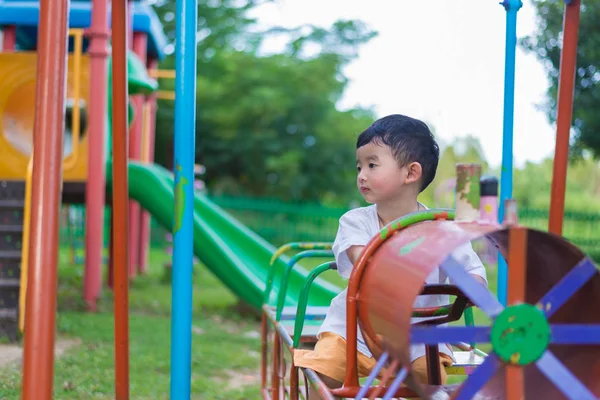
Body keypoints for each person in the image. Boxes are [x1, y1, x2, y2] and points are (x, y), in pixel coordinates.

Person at [293, 114, 488, 394]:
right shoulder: (356, 221)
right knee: (322, 373)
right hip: (353, 330)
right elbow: (364, 258)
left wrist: (471, 289)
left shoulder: (443, 229)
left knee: (430, 382)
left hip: (417, 337)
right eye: (359, 166)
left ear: (410, 173)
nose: (362, 174)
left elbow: (473, 270)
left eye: (372, 165)